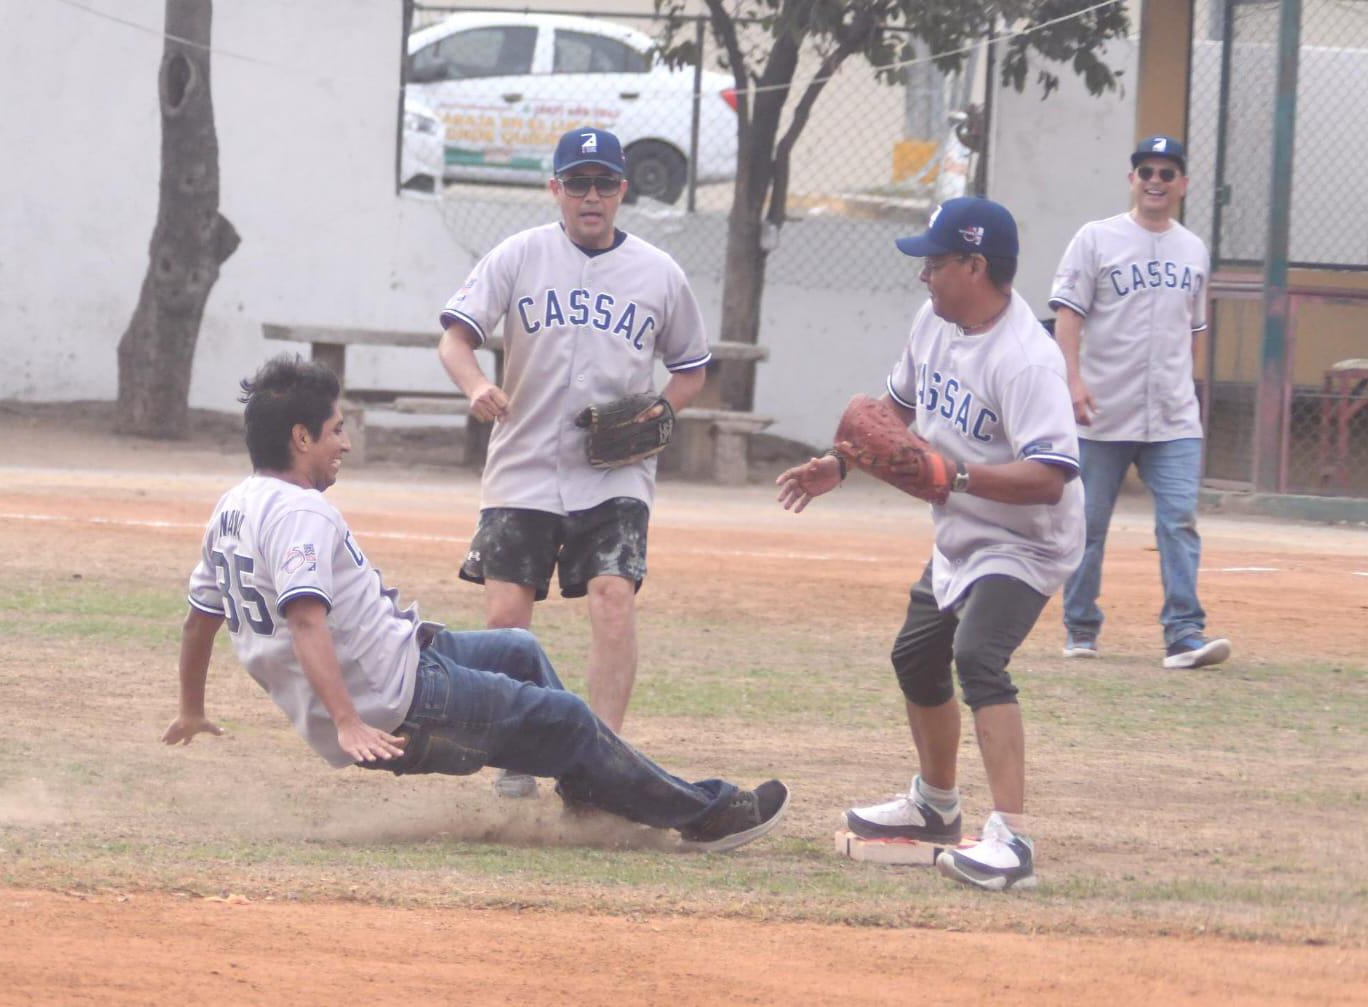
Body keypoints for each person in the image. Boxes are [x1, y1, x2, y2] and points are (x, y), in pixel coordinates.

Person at [160, 356, 789, 853]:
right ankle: (707, 816)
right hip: (398, 703)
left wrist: (191, 709)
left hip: (401, 666)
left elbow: (199, 621)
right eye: (335, 430)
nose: (343, 444)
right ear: (301, 437)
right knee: (568, 718)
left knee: (519, 648)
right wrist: (349, 720)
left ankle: (592, 795)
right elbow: (304, 620)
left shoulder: (232, 507)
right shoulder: (301, 510)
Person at [775, 198, 1083, 891]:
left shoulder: (1028, 360)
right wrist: (840, 461)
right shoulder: (934, 323)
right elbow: (893, 414)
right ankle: (936, 806)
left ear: (975, 266)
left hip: (1026, 540)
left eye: (936, 263)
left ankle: (1013, 837)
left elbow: (1053, 477)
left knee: (977, 656)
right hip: (963, 530)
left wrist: (959, 474)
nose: (924, 276)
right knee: (916, 655)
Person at [436, 127, 711, 797]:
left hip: (614, 470)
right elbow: (456, 337)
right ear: (554, 188)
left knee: (614, 598)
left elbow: (692, 366)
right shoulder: (520, 255)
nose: (592, 196)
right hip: (523, 462)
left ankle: (600, 759)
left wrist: (659, 415)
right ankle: (518, 750)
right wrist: (476, 385)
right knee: (506, 619)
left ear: (624, 190)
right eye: (578, 182)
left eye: (606, 182)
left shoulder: (657, 273)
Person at [1049, 135, 1232, 670]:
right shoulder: (1096, 238)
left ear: (1182, 185)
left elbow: (1195, 327)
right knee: (1088, 523)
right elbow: (1068, 315)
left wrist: (1188, 385)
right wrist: (1072, 381)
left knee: (1178, 520)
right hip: (1102, 409)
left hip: (1173, 416)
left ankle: (1184, 634)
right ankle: (1080, 627)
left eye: (1167, 172)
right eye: (1146, 171)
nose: (1156, 180)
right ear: (1132, 179)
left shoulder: (1193, 248)